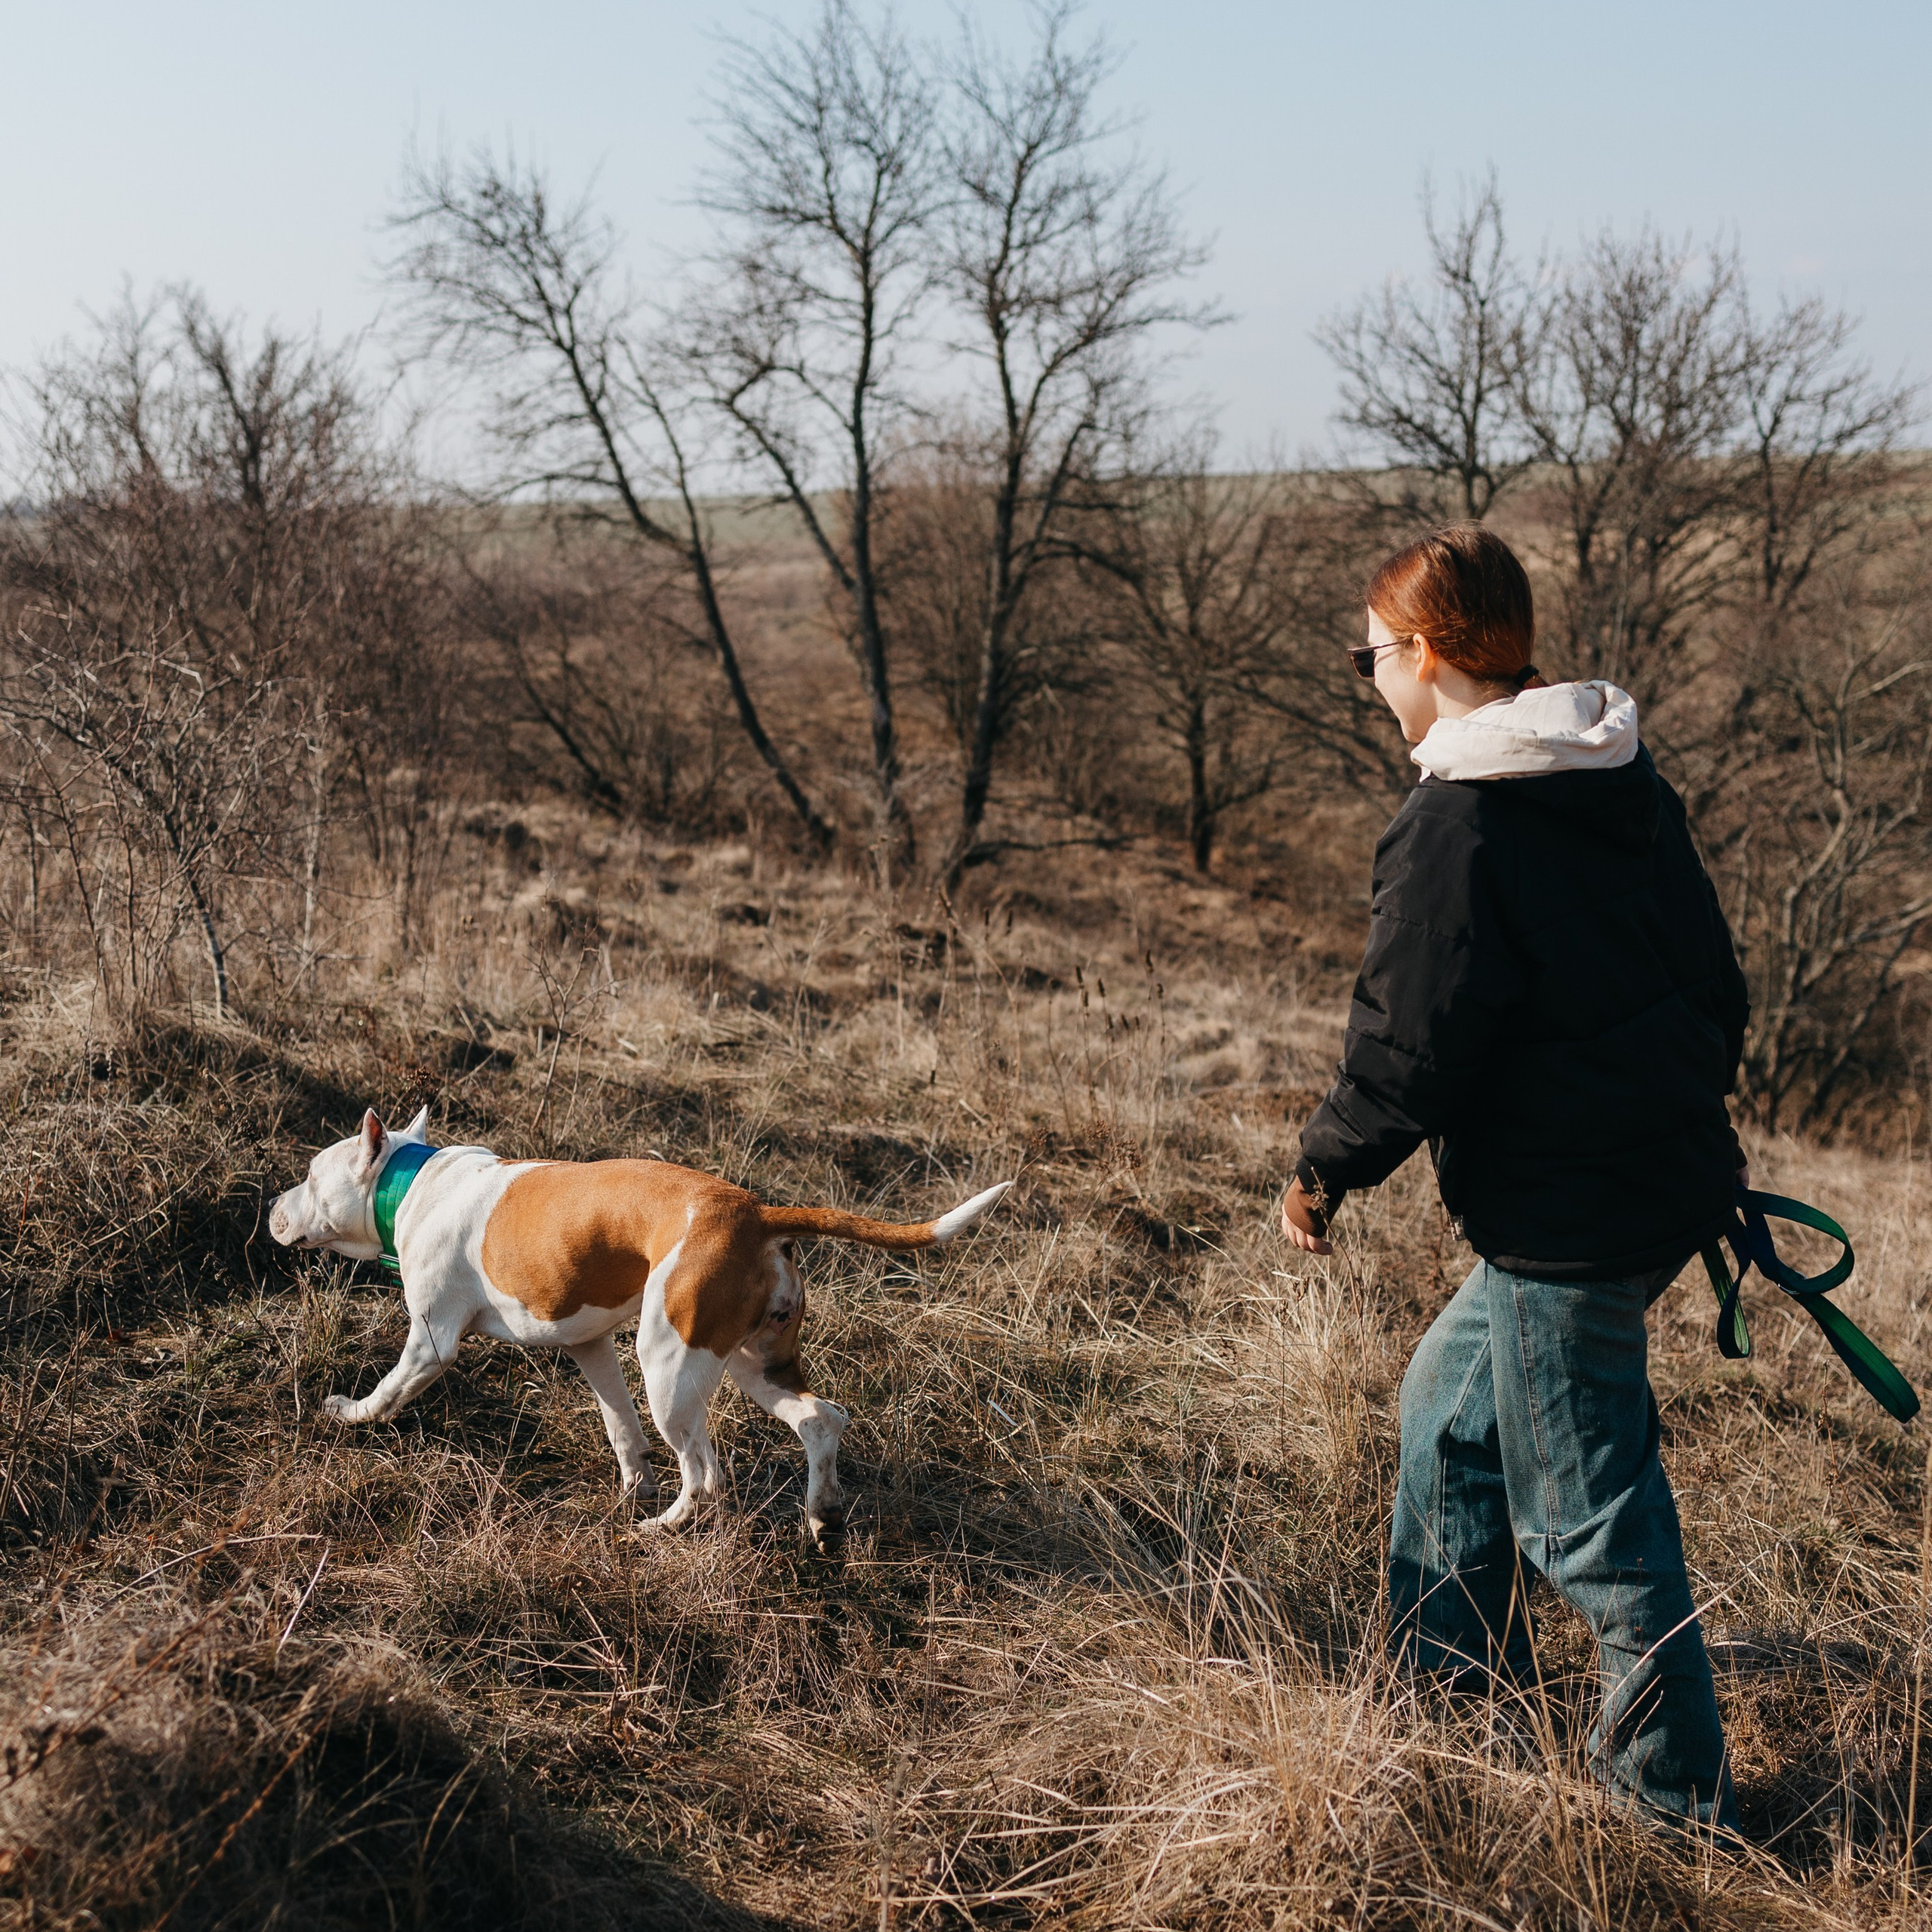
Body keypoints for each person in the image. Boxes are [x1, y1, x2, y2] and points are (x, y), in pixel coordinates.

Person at [1281, 524, 1747, 1834]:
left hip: (1568, 1219)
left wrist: (1321, 1168)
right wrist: (1666, 1119)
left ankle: (1674, 1808)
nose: (1372, 678)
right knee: (1448, 1419)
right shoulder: (1614, 771)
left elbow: (1408, 1048)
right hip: (1657, 1185)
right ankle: (1444, 1700)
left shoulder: (1457, 819)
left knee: (1588, 1522)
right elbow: (1718, 984)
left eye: (1372, 656)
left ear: (1426, 652)